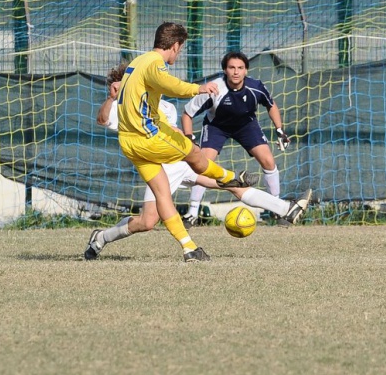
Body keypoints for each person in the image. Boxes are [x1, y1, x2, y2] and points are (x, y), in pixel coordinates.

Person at [83, 61, 312, 261]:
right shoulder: (123, 107)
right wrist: (112, 98)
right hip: (160, 168)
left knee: (232, 185)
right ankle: (101, 237)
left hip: (181, 163)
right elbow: (102, 119)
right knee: (147, 221)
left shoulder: (165, 106)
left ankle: (284, 209)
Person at [85, 21, 255, 263]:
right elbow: (170, 85)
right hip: (149, 136)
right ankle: (229, 177)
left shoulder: (138, 61)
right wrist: (199, 88)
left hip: (130, 142)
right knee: (194, 154)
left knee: (162, 196)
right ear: (175, 46)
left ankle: (189, 248)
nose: (179, 53)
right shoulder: (155, 63)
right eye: (180, 48)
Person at [180, 51, 292, 226]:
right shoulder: (214, 89)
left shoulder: (256, 87)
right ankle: (192, 212)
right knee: (203, 165)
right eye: (231, 67)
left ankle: (276, 210)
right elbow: (187, 114)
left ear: (246, 70)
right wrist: (189, 138)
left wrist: (279, 130)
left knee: (268, 160)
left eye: (240, 68)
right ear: (225, 69)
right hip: (216, 126)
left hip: (246, 126)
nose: (236, 72)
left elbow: (271, 105)